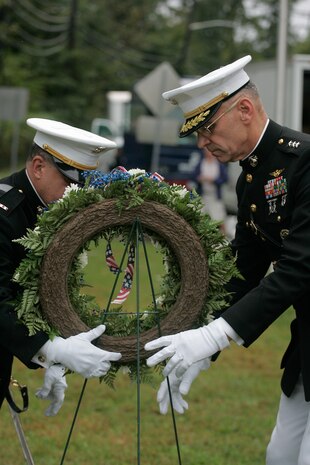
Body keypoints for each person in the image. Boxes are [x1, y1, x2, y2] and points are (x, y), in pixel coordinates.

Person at [144, 55, 310, 465]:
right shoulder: (250, 178)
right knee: (281, 457)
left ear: (246, 110)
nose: (202, 143)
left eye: (208, 129)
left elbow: (299, 269)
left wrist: (216, 335)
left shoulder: (305, 162)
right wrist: (203, 344)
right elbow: (244, 270)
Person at [0, 118, 122, 416]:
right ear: (39, 166)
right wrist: (51, 349)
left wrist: (50, 354)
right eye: (70, 182)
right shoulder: (5, 214)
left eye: (83, 185)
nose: (77, 195)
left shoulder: (42, 209)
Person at [194, 148, 228, 233]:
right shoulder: (201, 163)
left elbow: (225, 178)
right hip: (202, 195)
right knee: (199, 216)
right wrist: (199, 179)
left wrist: (213, 180)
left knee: (219, 218)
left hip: (214, 196)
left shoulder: (218, 164)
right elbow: (193, 175)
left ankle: (224, 236)